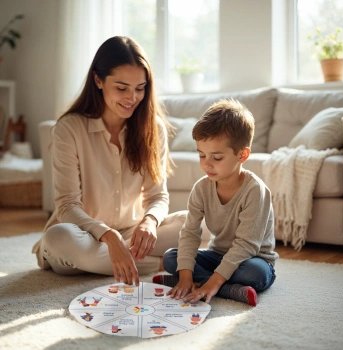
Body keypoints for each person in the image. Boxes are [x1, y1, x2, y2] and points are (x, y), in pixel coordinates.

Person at [32, 36, 187, 286]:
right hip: (82, 235)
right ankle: (165, 264)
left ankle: (106, 261)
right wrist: (109, 237)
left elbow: (158, 197)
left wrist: (150, 221)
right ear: (98, 80)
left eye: (140, 88)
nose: (132, 98)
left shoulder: (152, 128)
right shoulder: (68, 129)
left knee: (197, 225)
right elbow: (67, 205)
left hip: (132, 233)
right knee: (57, 239)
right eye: (122, 88)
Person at [153, 98, 278, 306]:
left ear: (242, 155)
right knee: (171, 258)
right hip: (217, 256)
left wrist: (213, 281)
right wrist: (185, 275)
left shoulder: (256, 191)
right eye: (202, 155)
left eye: (216, 158)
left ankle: (213, 285)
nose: (207, 164)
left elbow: (246, 245)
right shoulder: (201, 188)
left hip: (252, 259)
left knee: (255, 275)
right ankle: (220, 287)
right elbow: (190, 233)